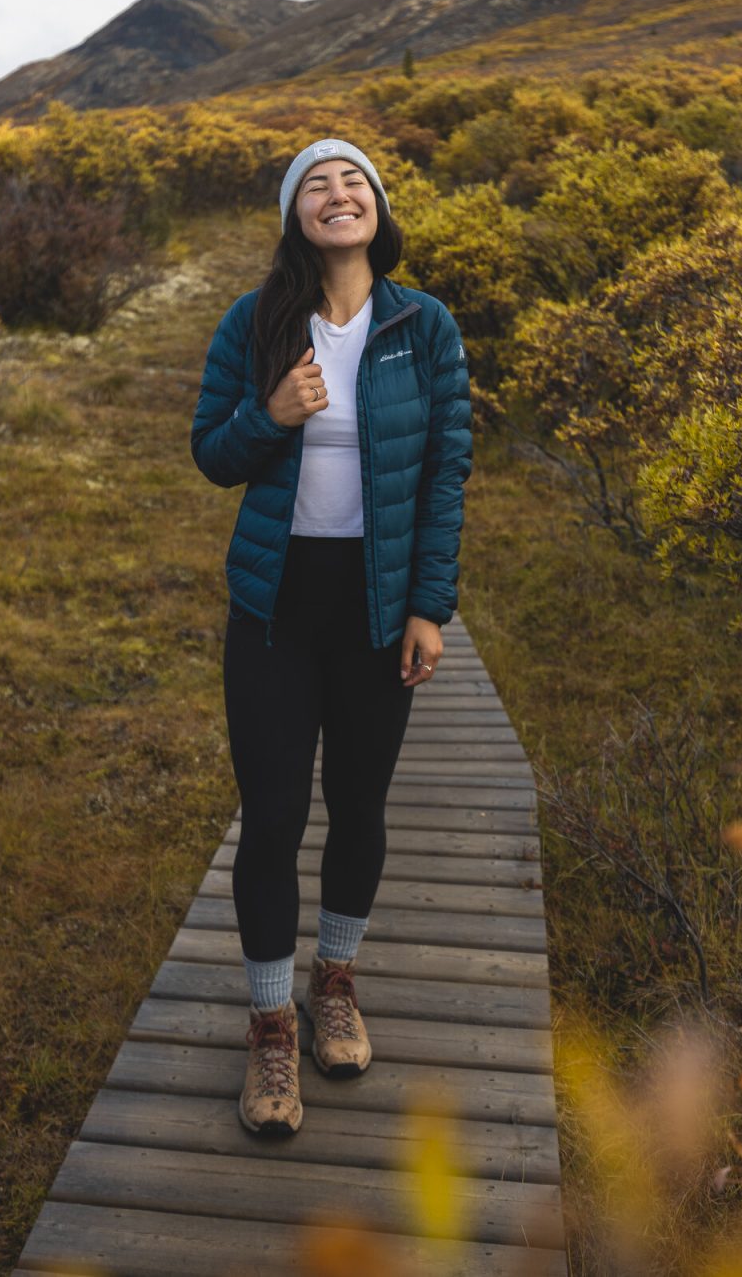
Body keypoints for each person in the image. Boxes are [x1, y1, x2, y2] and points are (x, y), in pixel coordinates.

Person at [190, 137, 472, 1135]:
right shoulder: (256, 320)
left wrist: (428, 606)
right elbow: (212, 455)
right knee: (271, 819)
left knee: (359, 806)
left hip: (375, 604)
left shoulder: (423, 325)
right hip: (274, 608)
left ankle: (334, 982)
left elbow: (447, 472)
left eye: (353, 180)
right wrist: (270, 413)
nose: (337, 192)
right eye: (316, 183)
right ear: (294, 215)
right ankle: (272, 1028)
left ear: (378, 209)